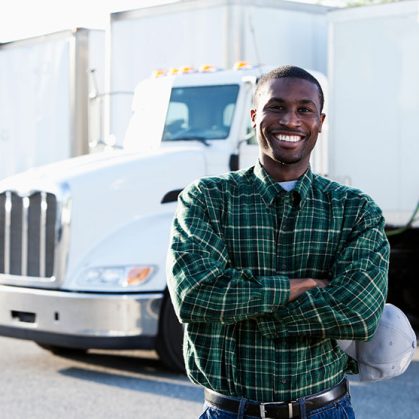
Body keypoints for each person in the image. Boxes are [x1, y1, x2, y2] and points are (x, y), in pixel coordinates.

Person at [166, 65, 389, 419]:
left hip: (324, 410)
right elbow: (194, 296)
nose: (290, 120)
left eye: (305, 109)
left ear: (321, 121)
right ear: (255, 116)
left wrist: (246, 311)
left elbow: (359, 313)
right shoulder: (207, 198)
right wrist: (300, 287)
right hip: (229, 411)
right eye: (276, 107)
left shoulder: (355, 209)